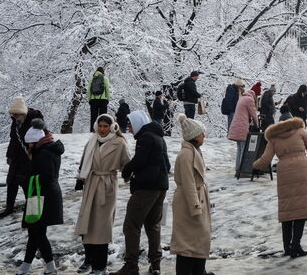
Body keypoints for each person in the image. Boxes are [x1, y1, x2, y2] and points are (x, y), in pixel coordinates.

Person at [252, 116, 307, 258]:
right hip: (303, 170)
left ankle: (287, 247)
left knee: (288, 210)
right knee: (301, 210)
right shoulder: (301, 131)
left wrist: (253, 165)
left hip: (284, 172)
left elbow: (266, 159)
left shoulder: (273, 138)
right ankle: (296, 244)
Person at [114, 111, 170, 275]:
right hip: (161, 187)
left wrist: (127, 170)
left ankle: (131, 267)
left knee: (131, 226)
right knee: (153, 226)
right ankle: (155, 265)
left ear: (138, 122)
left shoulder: (145, 138)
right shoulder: (159, 137)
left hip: (146, 188)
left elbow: (140, 160)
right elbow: (167, 164)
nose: (129, 129)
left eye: (130, 124)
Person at [75, 114, 131, 275]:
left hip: (107, 186)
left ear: (112, 127)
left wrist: (133, 179)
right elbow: (84, 160)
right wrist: (80, 178)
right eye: (100, 126)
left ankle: (100, 266)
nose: (102, 129)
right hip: (91, 184)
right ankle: (89, 261)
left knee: (101, 227)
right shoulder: (92, 141)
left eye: (106, 126)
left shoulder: (119, 143)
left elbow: (127, 164)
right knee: (86, 225)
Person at [15, 119, 64, 275]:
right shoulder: (50, 150)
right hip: (47, 195)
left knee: (37, 233)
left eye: (30, 144)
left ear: (35, 141)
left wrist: (24, 180)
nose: (29, 148)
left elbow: (46, 176)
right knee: (36, 233)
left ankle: (32, 266)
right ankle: (39, 267)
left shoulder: (43, 153)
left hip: (44, 198)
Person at [171, 114, 212, 275]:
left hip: (195, 200)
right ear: (194, 136)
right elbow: (188, 183)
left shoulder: (193, 151)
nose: (204, 136)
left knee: (197, 242)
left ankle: (198, 271)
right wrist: (195, 206)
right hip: (189, 204)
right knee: (187, 245)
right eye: (201, 133)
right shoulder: (186, 155)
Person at [5, 97, 44, 215]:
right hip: (16, 157)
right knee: (11, 182)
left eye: (17, 114)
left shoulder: (34, 120)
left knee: (27, 182)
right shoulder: (15, 121)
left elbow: (41, 137)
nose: (15, 116)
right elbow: (13, 140)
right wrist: (9, 155)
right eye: (13, 114)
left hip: (28, 157)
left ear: (22, 112)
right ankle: (9, 208)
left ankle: (31, 207)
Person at [227, 84, 261, 175]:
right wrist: (257, 125)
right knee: (243, 149)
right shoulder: (249, 100)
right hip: (242, 127)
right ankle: (242, 170)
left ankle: (238, 169)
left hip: (235, 126)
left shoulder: (241, 98)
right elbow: (253, 114)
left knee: (239, 149)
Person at [87, 67, 111, 132]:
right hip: (103, 100)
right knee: (103, 117)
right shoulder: (105, 78)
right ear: (102, 72)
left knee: (93, 117)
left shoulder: (92, 78)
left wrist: (89, 98)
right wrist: (107, 98)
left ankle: (93, 130)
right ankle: (102, 130)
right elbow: (107, 90)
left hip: (93, 100)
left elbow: (88, 90)